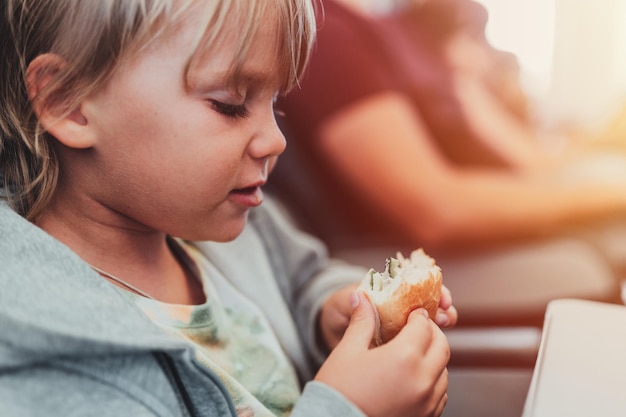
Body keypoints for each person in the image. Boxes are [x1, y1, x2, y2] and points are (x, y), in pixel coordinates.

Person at [0, 1, 457, 416]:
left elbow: (300, 279)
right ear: (68, 101)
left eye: (276, 104)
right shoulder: (48, 351)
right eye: (231, 105)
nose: (276, 140)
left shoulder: (229, 214)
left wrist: (330, 314)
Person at [272, 0, 626, 267]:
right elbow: (439, 210)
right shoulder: (329, 35)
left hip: (490, 225)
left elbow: (528, 160)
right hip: (423, 256)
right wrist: (605, 195)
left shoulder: (389, 35)